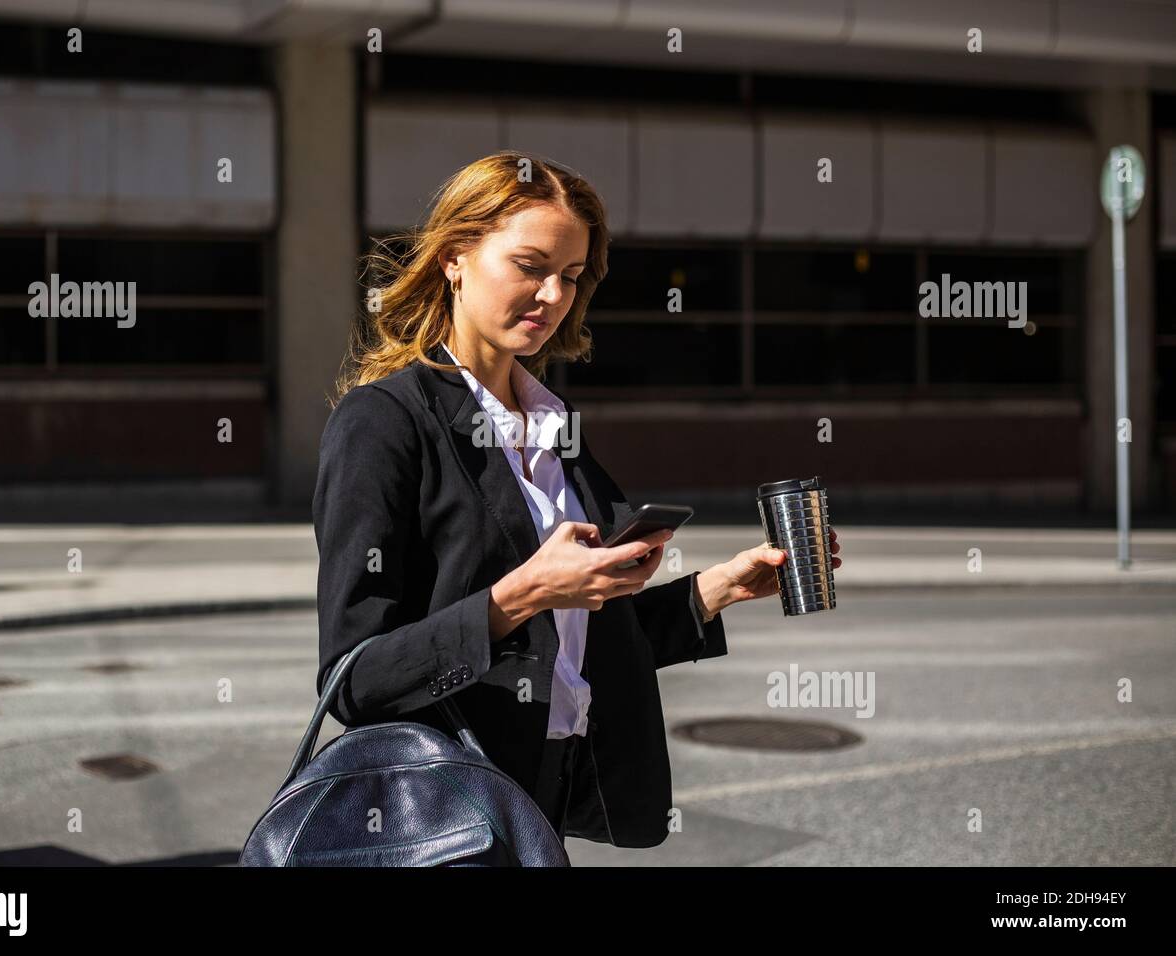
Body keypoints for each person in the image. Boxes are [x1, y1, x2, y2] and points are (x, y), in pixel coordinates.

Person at [313, 150, 842, 852]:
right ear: (453, 258)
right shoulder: (383, 422)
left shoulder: (555, 427)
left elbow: (582, 643)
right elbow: (354, 681)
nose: (554, 297)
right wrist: (522, 594)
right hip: (440, 810)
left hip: (544, 795)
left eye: (569, 276)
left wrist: (716, 589)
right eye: (530, 267)